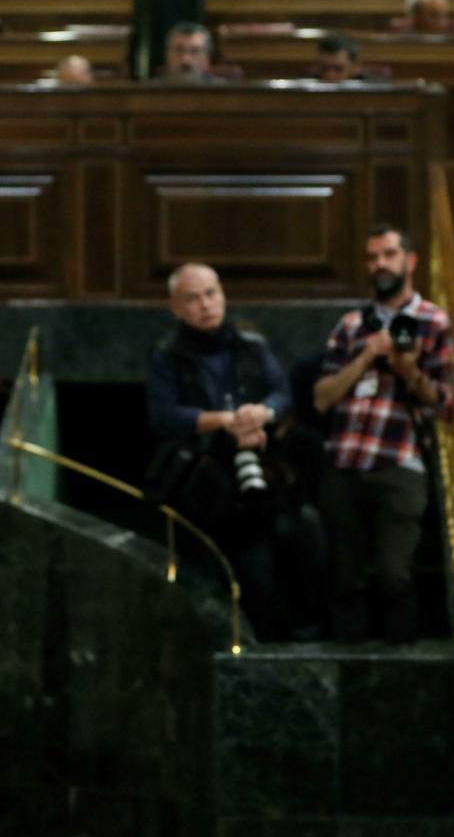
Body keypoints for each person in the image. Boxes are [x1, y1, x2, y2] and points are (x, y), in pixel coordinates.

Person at [143, 263, 324, 639]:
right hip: (203, 484)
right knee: (237, 578)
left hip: (259, 472)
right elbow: (164, 416)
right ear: (176, 308)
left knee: (305, 538)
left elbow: (282, 394)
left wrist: (262, 413)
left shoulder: (250, 346)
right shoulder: (167, 355)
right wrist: (223, 421)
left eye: (211, 294)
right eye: (192, 298)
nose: (205, 305)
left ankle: (299, 632)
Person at [313, 225, 454, 642]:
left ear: (410, 261)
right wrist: (367, 355)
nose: (380, 264)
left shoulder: (433, 321)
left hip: (400, 463)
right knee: (345, 579)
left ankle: (401, 667)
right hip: (345, 462)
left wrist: (408, 369)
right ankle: (349, 664)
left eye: (389, 255)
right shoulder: (352, 324)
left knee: (396, 575)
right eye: (373, 257)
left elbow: (444, 403)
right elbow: (321, 398)